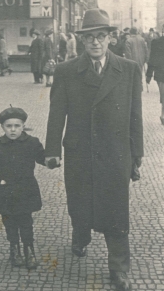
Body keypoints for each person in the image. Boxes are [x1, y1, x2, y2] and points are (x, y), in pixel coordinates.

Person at [45, 8, 143, 291]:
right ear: (82, 41)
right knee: (80, 203)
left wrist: (137, 154)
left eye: (101, 36)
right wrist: (53, 150)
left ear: (110, 38)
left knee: (116, 210)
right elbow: (56, 114)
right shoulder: (66, 71)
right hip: (80, 151)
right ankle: (81, 235)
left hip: (116, 153)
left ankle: (119, 268)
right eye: (90, 38)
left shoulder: (128, 69)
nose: (96, 43)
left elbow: (135, 115)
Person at [0, 107, 45, 269]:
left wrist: (53, 158)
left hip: (26, 191)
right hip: (5, 193)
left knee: (26, 222)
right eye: (8, 126)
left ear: (23, 125)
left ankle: (29, 250)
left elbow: (43, 158)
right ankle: (15, 250)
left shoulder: (32, 143)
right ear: (2, 127)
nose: (13, 130)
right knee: (10, 223)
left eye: (17, 126)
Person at [146, 24, 164, 125]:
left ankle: (163, 114)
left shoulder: (156, 42)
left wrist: (149, 75)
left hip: (161, 73)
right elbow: (152, 59)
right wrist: (149, 74)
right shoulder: (156, 42)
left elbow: (152, 59)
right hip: (161, 73)